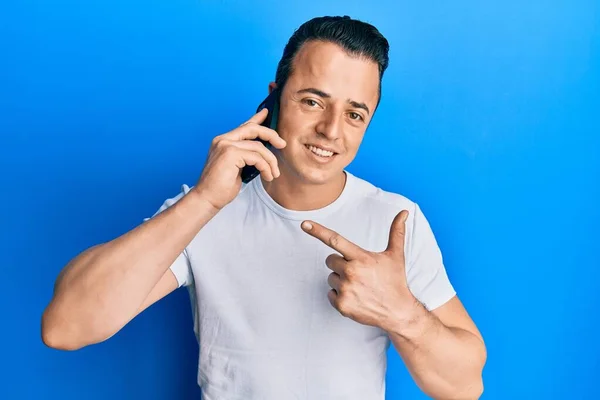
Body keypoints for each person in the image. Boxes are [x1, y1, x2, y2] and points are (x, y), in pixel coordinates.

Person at [41, 15, 487, 400]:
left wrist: (401, 312)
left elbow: (464, 386)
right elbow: (65, 327)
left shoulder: (395, 220)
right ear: (274, 98)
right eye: (312, 101)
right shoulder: (204, 209)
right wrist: (203, 200)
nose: (331, 130)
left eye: (354, 114)